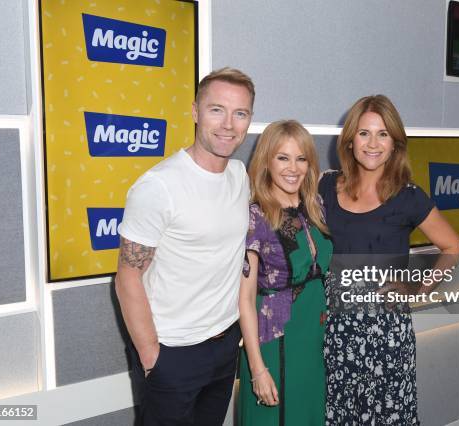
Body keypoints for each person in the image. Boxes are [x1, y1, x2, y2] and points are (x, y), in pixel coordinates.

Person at [115, 67, 255, 425]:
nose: (228, 124)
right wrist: (151, 357)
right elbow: (127, 277)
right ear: (195, 112)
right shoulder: (159, 186)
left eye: (240, 113)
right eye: (216, 110)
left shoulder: (240, 176)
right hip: (172, 353)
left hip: (225, 345)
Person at [319, 95, 459, 425]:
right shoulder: (326, 186)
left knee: (387, 415)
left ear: (395, 142)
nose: (373, 143)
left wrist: (417, 289)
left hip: (385, 333)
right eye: (364, 133)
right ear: (350, 139)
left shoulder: (408, 196)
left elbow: (453, 247)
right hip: (332, 329)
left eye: (383, 134)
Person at [238, 120, 333, 425]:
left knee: (309, 415)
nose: (293, 168)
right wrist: (257, 369)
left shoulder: (315, 206)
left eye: (301, 158)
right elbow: (245, 298)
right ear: (266, 161)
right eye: (283, 157)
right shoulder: (255, 216)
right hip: (276, 342)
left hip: (314, 340)